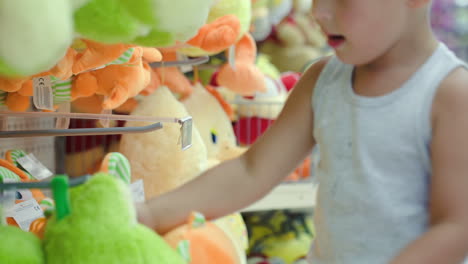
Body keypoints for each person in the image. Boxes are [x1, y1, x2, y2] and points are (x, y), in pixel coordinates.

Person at [138, 0, 468, 263]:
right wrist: (150, 214)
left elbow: (456, 227)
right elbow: (250, 171)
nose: (318, 11)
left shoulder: (450, 94)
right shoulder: (322, 80)